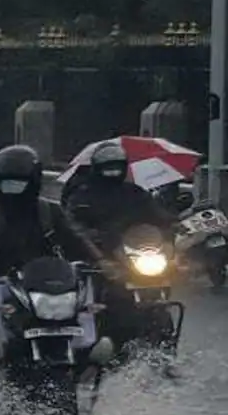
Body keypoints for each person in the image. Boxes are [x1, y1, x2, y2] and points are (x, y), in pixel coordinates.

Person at [0, 144, 112, 368]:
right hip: (5, 283)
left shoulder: (50, 211)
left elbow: (77, 239)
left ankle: (87, 343)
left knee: (83, 278)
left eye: (18, 184)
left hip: (47, 284)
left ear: (34, 182)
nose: (12, 191)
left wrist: (101, 261)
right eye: (6, 184)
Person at [59, 141, 180, 366]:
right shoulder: (83, 196)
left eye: (116, 166)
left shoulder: (135, 194)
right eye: (107, 166)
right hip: (99, 259)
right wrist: (91, 238)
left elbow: (157, 217)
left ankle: (164, 351)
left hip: (132, 255)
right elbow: (72, 224)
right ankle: (89, 340)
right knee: (86, 292)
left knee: (159, 286)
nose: (112, 171)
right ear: (96, 167)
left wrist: (170, 231)